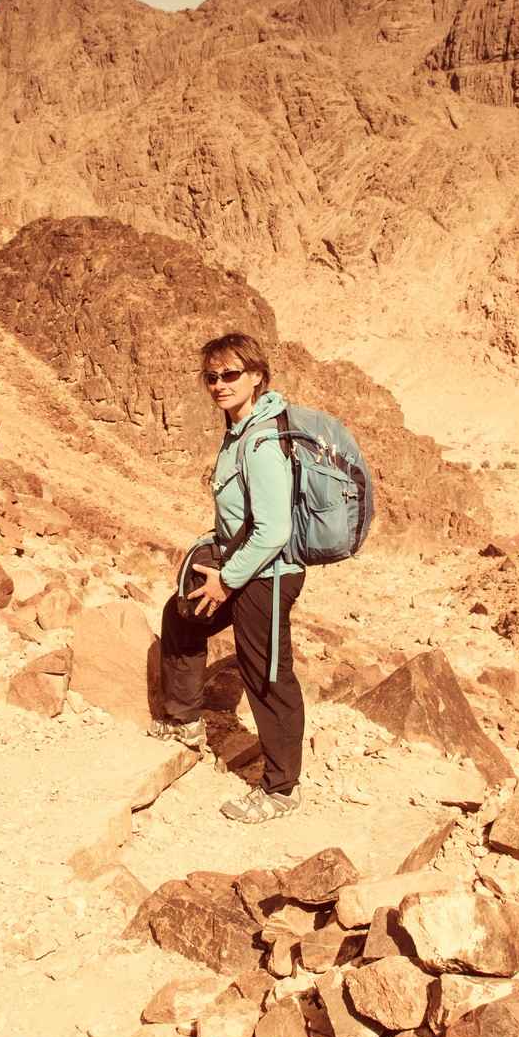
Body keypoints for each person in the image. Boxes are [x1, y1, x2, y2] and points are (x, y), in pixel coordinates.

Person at [155, 332, 307, 823]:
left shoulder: (262, 440)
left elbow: (274, 530)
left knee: (266, 674)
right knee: (182, 618)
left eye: (230, 374)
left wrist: (226, 579)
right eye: (211, 376)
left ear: (257, 376)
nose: (219, 384)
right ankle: (185, 723)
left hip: (269, 575)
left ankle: (281, 790)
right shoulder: (239, 429)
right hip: (241, 562)